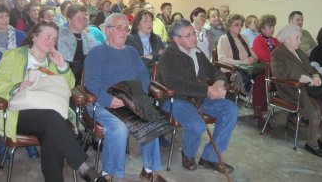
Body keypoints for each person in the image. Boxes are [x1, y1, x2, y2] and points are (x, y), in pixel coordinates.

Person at [0, 21, 101, 182]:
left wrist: (62, 65)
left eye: (54, 38)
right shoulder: (14, 55)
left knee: (51, 132)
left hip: (51, 117)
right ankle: (83, 167)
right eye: (48, 36)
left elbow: (68, 88)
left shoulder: (53, 60)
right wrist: (16, 87)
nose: (51, 41)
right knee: (52, 120)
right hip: (20, 113)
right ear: (33, 36)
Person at [84, 13, 167, 181]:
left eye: (126, 28)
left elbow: (143, 75)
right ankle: (109, 172)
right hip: (104, 102)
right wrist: (109, 100)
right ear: (107, 31)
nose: (124, 31)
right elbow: (91, 84)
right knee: (119, 128)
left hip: (131, 100)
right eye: (119, 27)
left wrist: (138, 95)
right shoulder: (96, 53)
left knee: (151, 118)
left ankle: (149, 169)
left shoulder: (130, 51)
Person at [158, 19, 238, 174]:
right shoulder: (168, 55)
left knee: (231, 110)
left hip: (198, 97)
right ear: (176, 39)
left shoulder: (197, 52)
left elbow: (215, 71)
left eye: (193, 33)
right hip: (175, 99)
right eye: (188, 35)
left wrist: (220, 82)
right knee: (198, 125)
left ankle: (210, 157)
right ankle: (188, 154)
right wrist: (206, 89)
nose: (193, 37)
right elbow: (175, 84)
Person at [0, 3, 40, 160]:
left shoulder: (18, 34)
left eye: (7, 16)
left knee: (29, 100)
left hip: (19, 76)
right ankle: (2, 142)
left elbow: (26, 58)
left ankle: (28, 140)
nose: (6, 19)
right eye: (1, 16)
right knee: (8, 102)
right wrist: (4, 61)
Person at [271, 25, 322, 157]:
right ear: (286, 39)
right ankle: (311, 142)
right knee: (314, 110)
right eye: (297, 38)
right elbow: (279, 73)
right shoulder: (277, 54)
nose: (299, 41)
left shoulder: (299, 52)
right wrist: (300, 78)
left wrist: (314, 75)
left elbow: (311, 68)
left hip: (309, 88)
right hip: (291, 89)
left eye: (300, 38)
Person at [58, 4, 98, 85]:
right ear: (69, 19)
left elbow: (98, 52)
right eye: (78, 18)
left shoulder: (88, 37)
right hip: (64, 75)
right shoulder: (59, 34)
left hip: (85, 77)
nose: (82, 21)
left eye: (84, 18)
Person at [252, 14, 279, 131]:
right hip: (263, 70)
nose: (272, 29)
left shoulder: (275, 40)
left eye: (273, 26)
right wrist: (277, 59)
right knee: (262, 80)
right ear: (262, 28)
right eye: (269, 27)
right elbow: (265, 57)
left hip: (275, 70)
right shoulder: (258, 40)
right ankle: (261, 113)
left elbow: (282, 54)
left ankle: (293, 113)